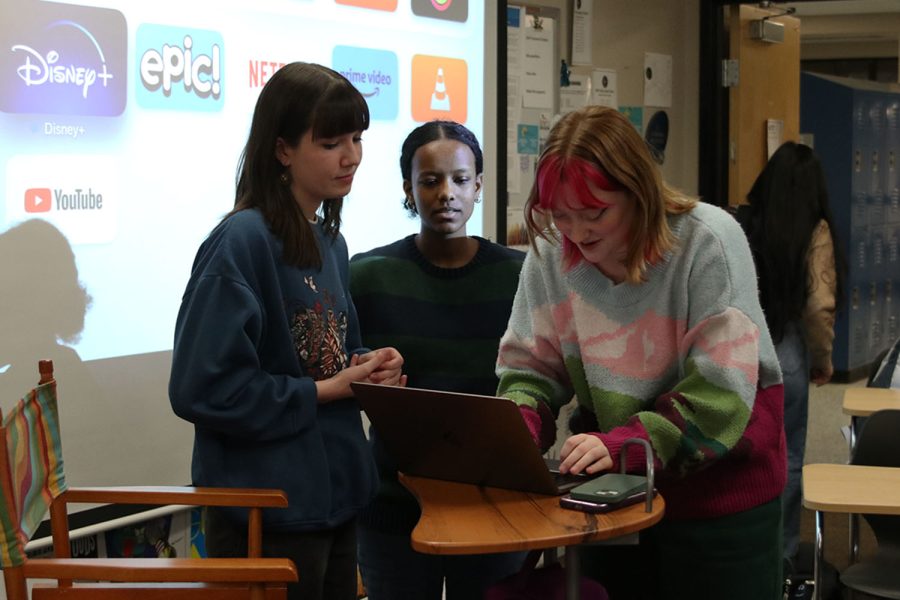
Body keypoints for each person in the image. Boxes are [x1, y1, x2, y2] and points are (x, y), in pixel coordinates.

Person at [495, 105, 786, 600]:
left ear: (640, 193)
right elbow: (530, 370)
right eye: (560, 215)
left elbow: (719, 396)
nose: (577, 233)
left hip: (719, 497)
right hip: (614, 490)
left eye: (595, 214)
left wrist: (625, 446)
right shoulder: (550, 251)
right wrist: (516, 428)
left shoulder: (707, 240)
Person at [168, 62, 404, 600]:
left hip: (338, 497)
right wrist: (325, 391)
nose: (352, 157)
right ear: (282, 150)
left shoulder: (330, 242)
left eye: (357, 138)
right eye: (330, 142)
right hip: (266, 510)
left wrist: (368, 366)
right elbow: (200, 388)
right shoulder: (240, 242)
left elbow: (330, 354)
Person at [349, 120, 526, 600]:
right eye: (430, 181)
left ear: (479, 186)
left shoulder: (520, 277)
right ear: (408, 188)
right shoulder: (365, 276)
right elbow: (338, 373)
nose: (446, 193)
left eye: (460, 180)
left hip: (495, 505)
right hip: (393, 507)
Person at [738, 141, 845, 564]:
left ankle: (743, 549)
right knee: (788, 455)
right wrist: (824, 359)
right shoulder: (815, 230)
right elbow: (818, 305)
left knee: (742, 452)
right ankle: (778, 559)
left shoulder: (742, 220)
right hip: (786, 348)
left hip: (740, 346)